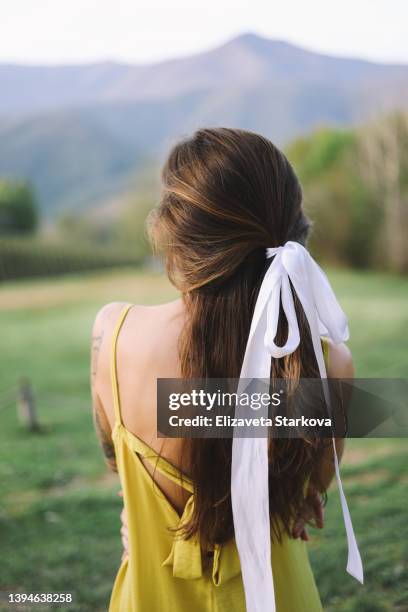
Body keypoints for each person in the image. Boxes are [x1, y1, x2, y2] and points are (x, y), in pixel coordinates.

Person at [90, 128, 355, 611]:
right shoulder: (328, 364)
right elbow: (309, 492)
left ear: (176, 234)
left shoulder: (113, 336)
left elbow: (116, 461)